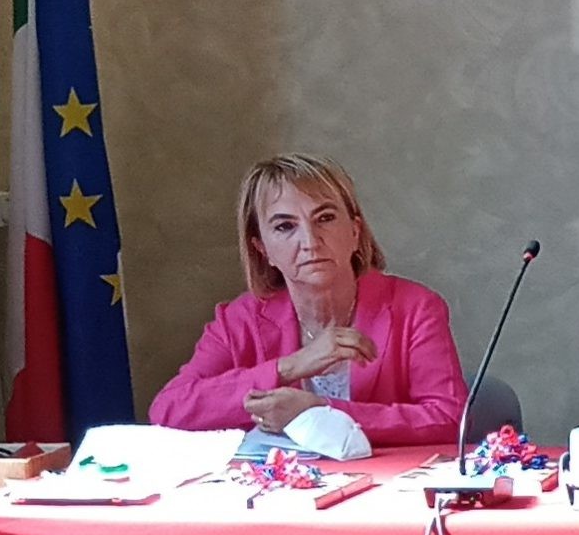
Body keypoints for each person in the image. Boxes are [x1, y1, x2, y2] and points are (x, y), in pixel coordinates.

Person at [150, 154, 467, 444]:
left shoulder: (416, 308)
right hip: (282, 485)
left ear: (355, 231)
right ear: (263, 249)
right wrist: (291, 366)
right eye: (285, 226)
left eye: (325, 218)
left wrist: (322, 413)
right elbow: (168, 410)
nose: (310, 241)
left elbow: (450, 419)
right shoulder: (239, 319)